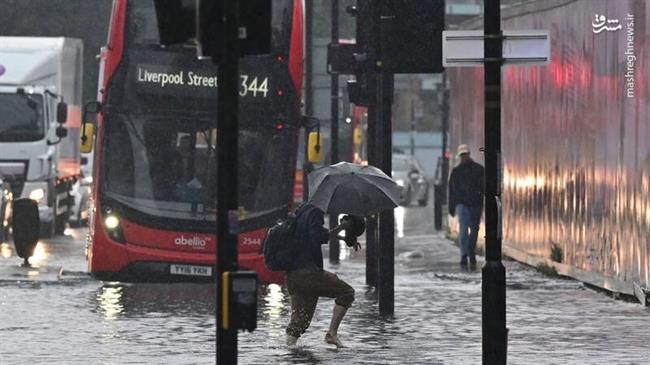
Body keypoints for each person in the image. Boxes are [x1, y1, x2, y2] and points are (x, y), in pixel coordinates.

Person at [285, 203, 356, 348]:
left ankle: (289, 352)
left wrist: (343, 238)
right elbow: (318, 237)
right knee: (347, 292)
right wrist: (343, 226)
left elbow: (313, 235)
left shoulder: (301, 211)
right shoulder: (315, 213)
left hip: (293, 274)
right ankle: (332, 334)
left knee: (299, 322)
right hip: (309, 273)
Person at [448, 144, 484, 269]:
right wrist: (452, 207)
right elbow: (452, 190)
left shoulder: (477, 170)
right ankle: (465, 255)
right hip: (465, 204)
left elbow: (452, 190)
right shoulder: (458, 171)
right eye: (462, 155)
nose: (464, 157)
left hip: (474, 204)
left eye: (465, 155)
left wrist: (452, 207)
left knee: (473, 230)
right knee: (464, 230)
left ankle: (470, 253)